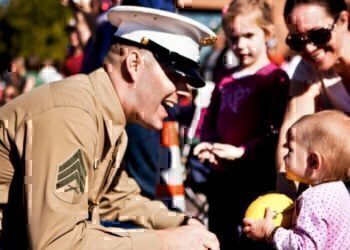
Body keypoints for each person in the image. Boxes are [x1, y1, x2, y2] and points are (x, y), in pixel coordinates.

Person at [0, 6, 220, 250]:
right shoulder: (73, 115)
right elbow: (57, 243)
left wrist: (184, 223)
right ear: (134, 64)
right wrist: (167, 241)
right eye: (174, 76)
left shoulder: (105, 116)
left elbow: (115, 199)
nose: (184, 92)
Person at [193, 0, 289, 249]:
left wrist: (242, 151)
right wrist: (208, 144)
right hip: (222, 177)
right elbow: (209, 119)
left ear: (267, 33)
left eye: (249, 35)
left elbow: (276, 131)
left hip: (254, 178)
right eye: (235, 38)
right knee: (221, 234)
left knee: (249, 238)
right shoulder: (225, 79)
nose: (241, 45)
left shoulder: (274, 77)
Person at [244, 110, 350, 249]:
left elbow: (303, 246)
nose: (284, 157)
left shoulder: (313, 199)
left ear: (313, 161)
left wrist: (269, 232)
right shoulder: (340, 190)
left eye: (290, 150)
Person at [276, 0, 350, 197]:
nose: (309, 48)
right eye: (297, 41)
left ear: (344, 20)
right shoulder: (307, 69)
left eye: (319, 35)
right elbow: (291, 134)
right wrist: (284, 201)